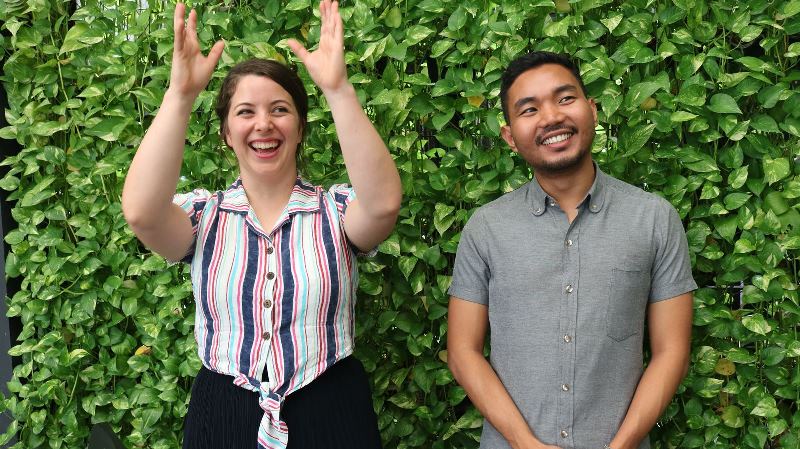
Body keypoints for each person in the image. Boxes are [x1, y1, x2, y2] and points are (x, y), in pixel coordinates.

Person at [121, 1, 401, 448]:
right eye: (245, 112)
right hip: (224, 411)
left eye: (280, 110)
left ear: (301, 127)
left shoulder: (337, 212)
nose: (264, 124)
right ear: (226, 133)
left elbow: (384, 205)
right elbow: (141, 212)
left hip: (332, 406)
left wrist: (337, 88)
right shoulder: (203, 218)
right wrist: (180, 95)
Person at [446, 51, 696, 449]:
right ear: (510, 136)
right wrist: (525, 443)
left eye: (565, 99)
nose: (551, 118)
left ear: (592, 110)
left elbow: (672, 352)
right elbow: (462, 352)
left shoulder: (653, 219)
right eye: (529, 109)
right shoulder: (486, 228)